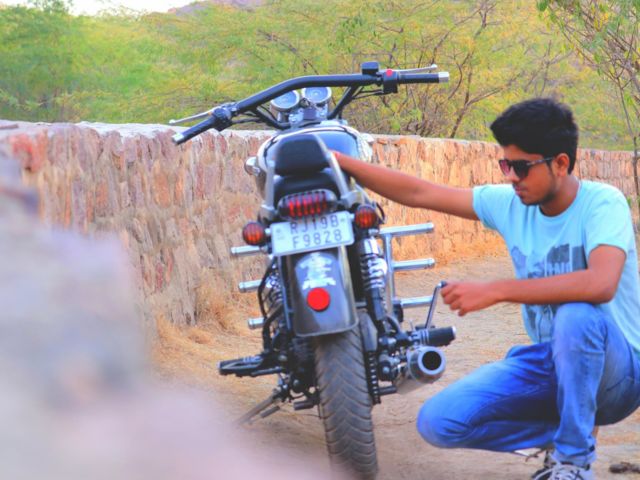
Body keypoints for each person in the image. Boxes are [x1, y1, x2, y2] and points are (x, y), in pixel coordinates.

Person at [334, 98, 640, 480]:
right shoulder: (511, 205)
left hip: (620, 376)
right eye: (505, 165)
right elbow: (419, 193)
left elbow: (600, 284)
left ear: (561, 163)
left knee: (576, 315)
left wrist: (497, 290)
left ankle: (573, 464)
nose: (512, 177)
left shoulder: (602, 204)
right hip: (553, 363)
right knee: (439, 422)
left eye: (522, 167)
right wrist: (340, 162)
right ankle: (564, 434)